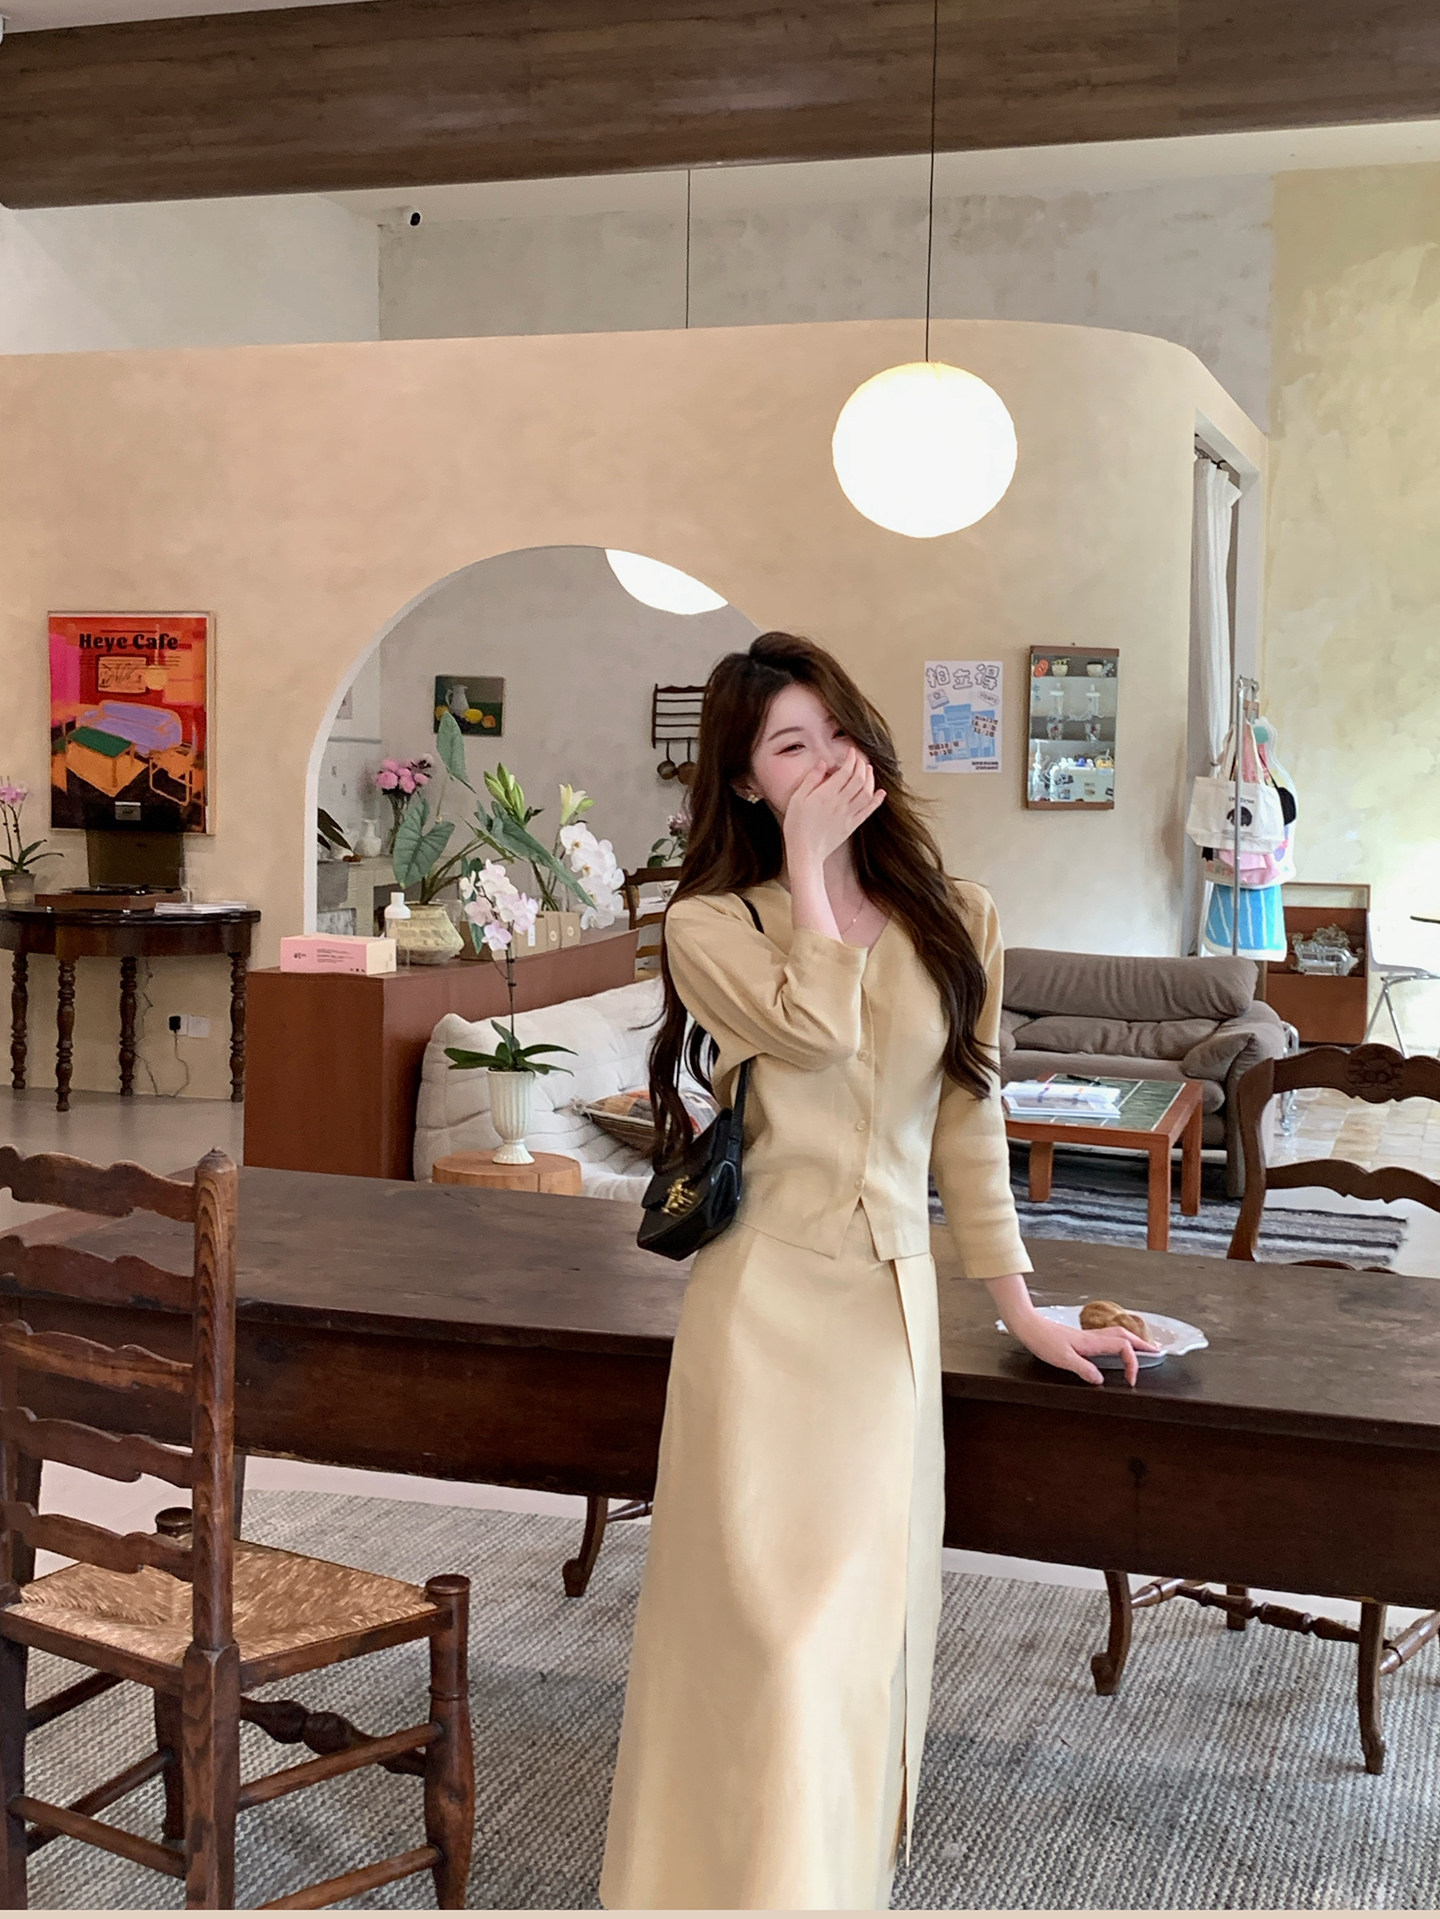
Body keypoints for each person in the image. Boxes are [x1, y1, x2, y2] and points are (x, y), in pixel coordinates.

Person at [600, 634, 1156, 1912]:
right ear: (747, 782)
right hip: (755, 1310)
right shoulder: (708, 925)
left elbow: (969, 1121)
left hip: (884, 1322)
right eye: (790, 746)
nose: (827, 761)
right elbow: (815, 1027)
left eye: (838, 732)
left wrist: (1021, 1303)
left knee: (839, 1638)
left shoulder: (961, 917)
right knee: (752, 1636)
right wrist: (808, 869)